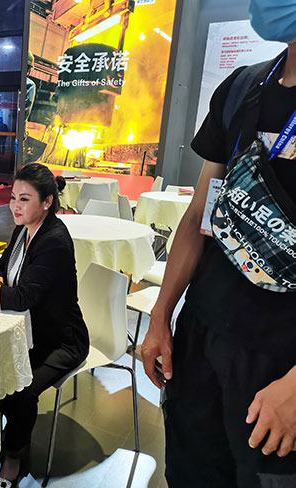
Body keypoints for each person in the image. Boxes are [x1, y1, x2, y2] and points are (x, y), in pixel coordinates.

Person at [141, 3, 296, 486]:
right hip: (201, 339)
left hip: (281, 363)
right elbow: (198, 215)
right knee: (191, 472)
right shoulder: (243, 88)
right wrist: (161, 314)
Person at [0, 163, 89, 487]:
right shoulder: (24, 229)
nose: (15, 206)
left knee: (20, 390)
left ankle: (13, 457)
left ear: (47, 201)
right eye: (13, 198)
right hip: (27, 330)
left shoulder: (54, 240)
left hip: (61, 340)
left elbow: (21, 298)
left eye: (24, 199)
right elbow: (1, 265)